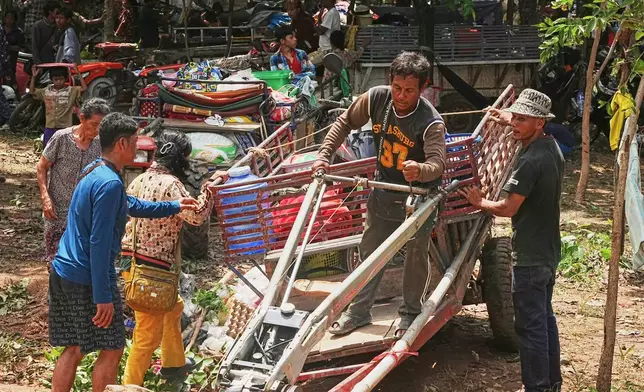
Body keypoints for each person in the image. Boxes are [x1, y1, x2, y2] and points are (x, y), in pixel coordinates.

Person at [48, 112, 200, 392]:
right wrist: (103, 297)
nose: (138, 149)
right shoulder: (109, 184)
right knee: (113, 348)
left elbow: (132, 205)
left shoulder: (97, 171)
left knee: (75, 346)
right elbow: (99, 244)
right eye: (133, 142)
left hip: (64, 270)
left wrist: (175, 206)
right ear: (120, 144)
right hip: (85, 277)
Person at [312, 51, 446, 338]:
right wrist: (324, 155)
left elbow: (438, 164)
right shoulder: (376, 98)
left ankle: (410, 313)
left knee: (414, 255)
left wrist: (421, 169)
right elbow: (344, 123)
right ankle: (358, 313)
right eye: (397, 88)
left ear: (423, 89)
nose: (401, 95)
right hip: (384, 189)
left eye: (410, 91)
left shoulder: (431, 122)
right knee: (370, 252)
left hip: (419, 196)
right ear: (390, 81)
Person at [458, 89, 564, 392]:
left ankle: (537, 387)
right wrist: (505, 117)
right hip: (547, 251)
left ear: (540, 123)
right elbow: (520, 122)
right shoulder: (551, 146)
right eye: (514, 118)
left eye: (522, 120)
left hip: (529, 256)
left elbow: (507, 208)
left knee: (530, 329)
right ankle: (551, 383)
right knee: (545, 320)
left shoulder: (530, 161)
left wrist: (479, 202)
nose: (514, 124)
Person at [120, 130, 222, 385]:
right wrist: (210, 188)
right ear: (179, 159)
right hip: (151, 271)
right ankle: (128, 386)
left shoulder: (138, 180)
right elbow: (196, 216)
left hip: (131, 263)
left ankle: (173, 364)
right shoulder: (171, 185)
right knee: (146, 337)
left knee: (173, 307)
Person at [36, 98, 111, 269]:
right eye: (94, 124)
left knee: (80, 261)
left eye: (102, 125)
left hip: (85, 212)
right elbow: (41, 167)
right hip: (58, 209)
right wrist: (45, 197)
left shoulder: (101, 144)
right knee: (55, 260)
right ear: (82, 118)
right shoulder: (61, 138)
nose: (98, 129)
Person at [30, 65, 87, 147]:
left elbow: (84, 88)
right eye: (56, 79)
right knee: (48, 148)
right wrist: (33, 77)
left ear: (65, 79)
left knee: (65, 148)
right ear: (52, 80)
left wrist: (78, 73)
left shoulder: (71, 91)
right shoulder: (46, 90)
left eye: (61, 79)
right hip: (50, 126)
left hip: (65, 127)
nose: (58, 82)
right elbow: (32, 92)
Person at [30, 0, 59, 65]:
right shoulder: (38, 26)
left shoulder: (58, 25)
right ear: (50, 12)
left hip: (55, 61)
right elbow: (35, 47)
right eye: (57, 12)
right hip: (42, 61)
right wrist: (38, 63)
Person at [3, 10, 25, 89]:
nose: (9, 20)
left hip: (11, 58)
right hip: (1, 56)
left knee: (10, 76)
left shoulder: (18, 32)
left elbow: (20, 46)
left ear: (15, 20)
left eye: (11, 18)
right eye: (7, 18)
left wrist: (9, 47)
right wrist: (10, 47)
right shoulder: (1, 29)